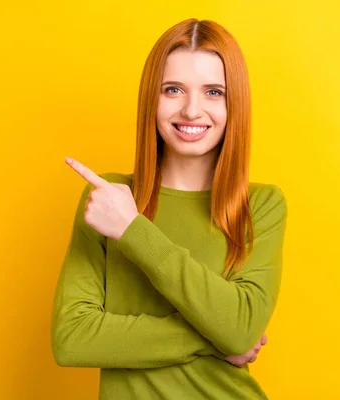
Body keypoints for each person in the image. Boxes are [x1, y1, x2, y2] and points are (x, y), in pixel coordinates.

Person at [51, 18, 288, 399]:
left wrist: (133, 230)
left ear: (235, 103)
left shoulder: (260, 205)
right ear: (151, 98)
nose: (192, 110)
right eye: (173, 89)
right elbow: (71, 339)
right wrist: (216, 336)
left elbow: (242, 329)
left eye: (213, 92)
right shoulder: (109, 198)